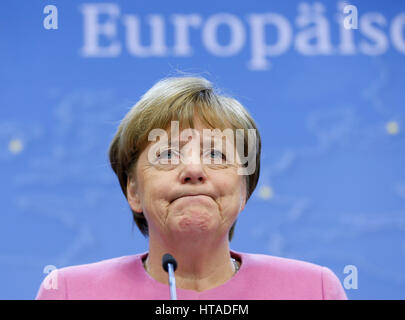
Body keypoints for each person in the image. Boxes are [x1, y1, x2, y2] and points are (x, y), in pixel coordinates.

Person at [35, 76, 347, 300]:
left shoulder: (313, 289)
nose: (194, 170)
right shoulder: (69, 292)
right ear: (134, 192)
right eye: (167, 154)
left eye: (216, 154)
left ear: (244, 189)